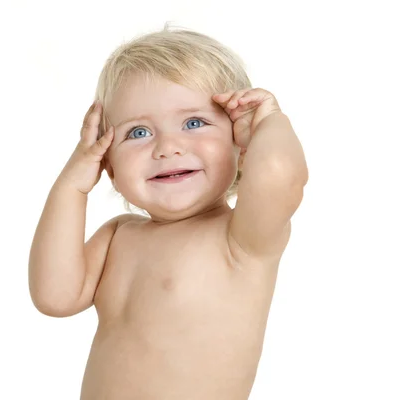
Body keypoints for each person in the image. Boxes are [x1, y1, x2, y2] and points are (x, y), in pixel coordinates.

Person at [28, 25, 308, 400]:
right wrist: (71, 187)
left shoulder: (241, 238)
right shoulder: (118, 236)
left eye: (194, 123)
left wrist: (270, 122)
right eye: (138, 133)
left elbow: (278, 174)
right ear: (108, 164)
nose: (168, 147)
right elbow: (54, 297)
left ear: (241, 145)